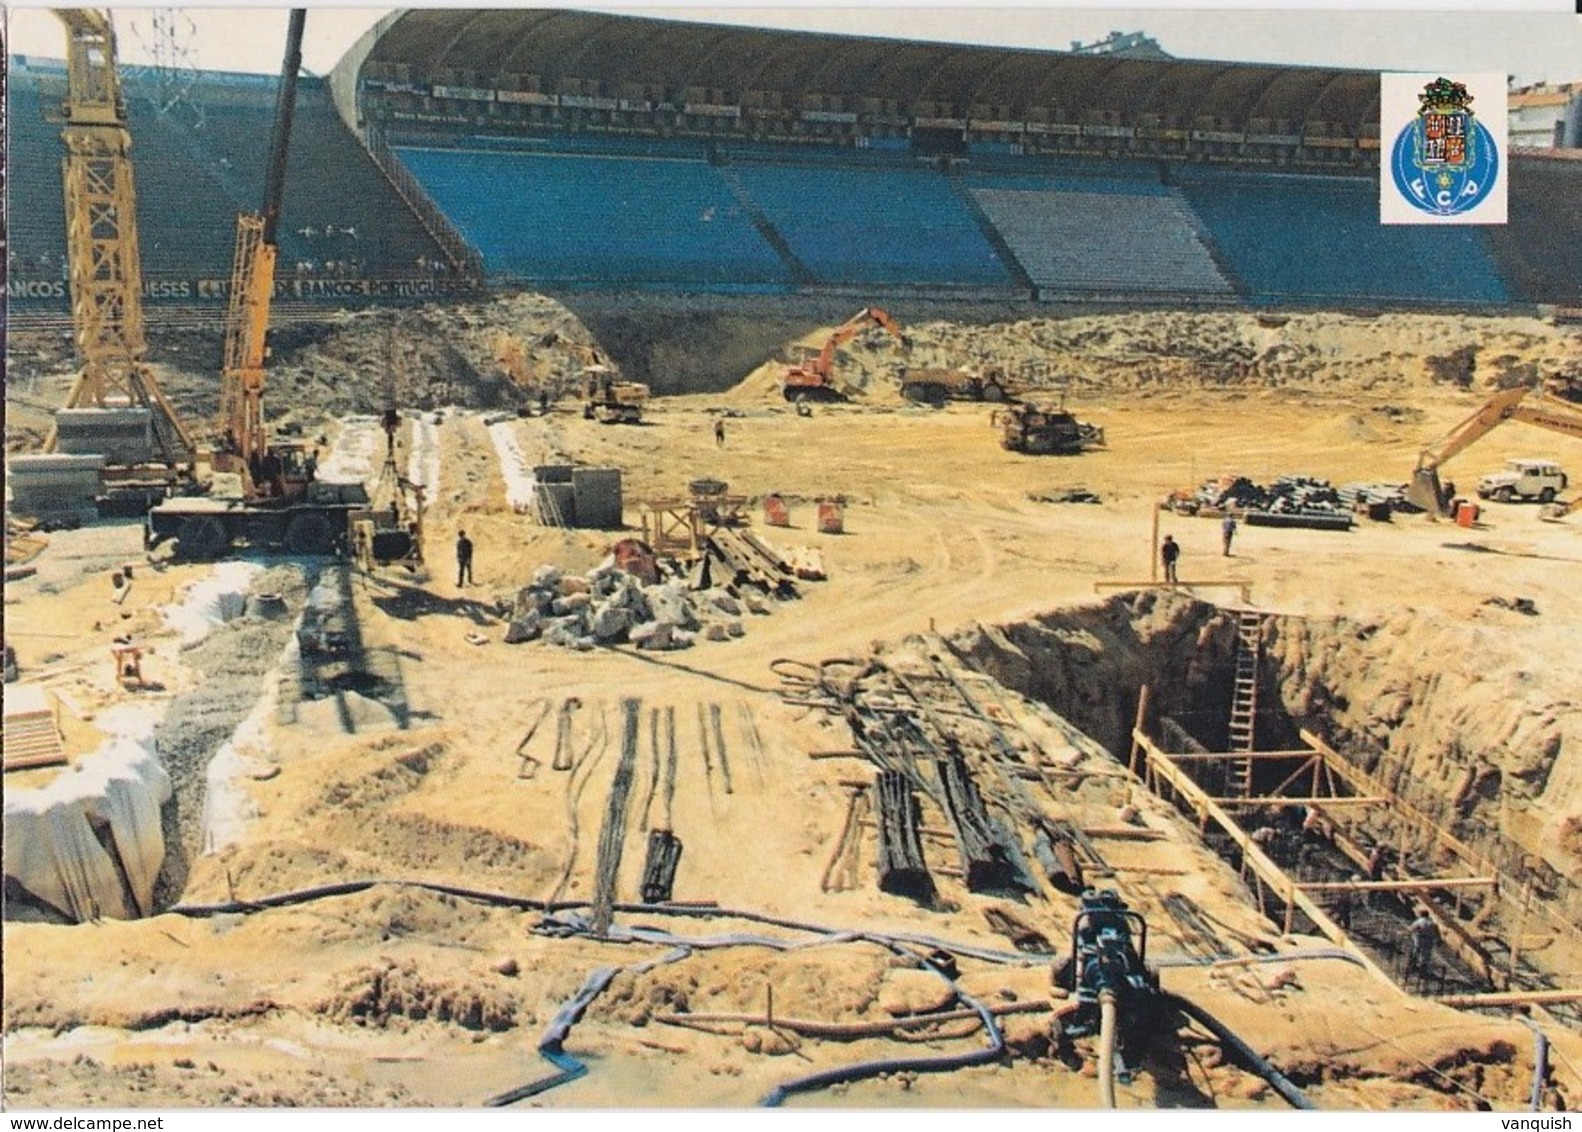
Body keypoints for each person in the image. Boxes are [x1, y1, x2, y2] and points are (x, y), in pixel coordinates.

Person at [1406, 908, 1439, 981]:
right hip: (1429, 941)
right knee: (1426, 956)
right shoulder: (1432, 923)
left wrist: (1408, 930)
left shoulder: (1419, 921)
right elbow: (1437, 933)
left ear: (1421, 914)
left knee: (1416, 953)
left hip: (1420, 939)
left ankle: (1412, 968)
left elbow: (1412, 929)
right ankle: (1423, 971)